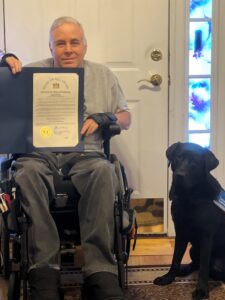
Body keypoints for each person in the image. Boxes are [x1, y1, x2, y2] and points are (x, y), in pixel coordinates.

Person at [4, 16, 131, 300]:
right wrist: (4, 58)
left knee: (103, 172)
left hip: (86, 154)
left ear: (84, 45)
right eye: (60, 43)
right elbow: (5, 92)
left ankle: (100, 271)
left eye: (75, 42)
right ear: (51, 47)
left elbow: (125, 118)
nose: (68, 49)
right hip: (40, 154)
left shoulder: (104, 75)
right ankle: (44, 271)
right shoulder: (30, 72)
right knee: (25, 174)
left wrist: (106, 117)